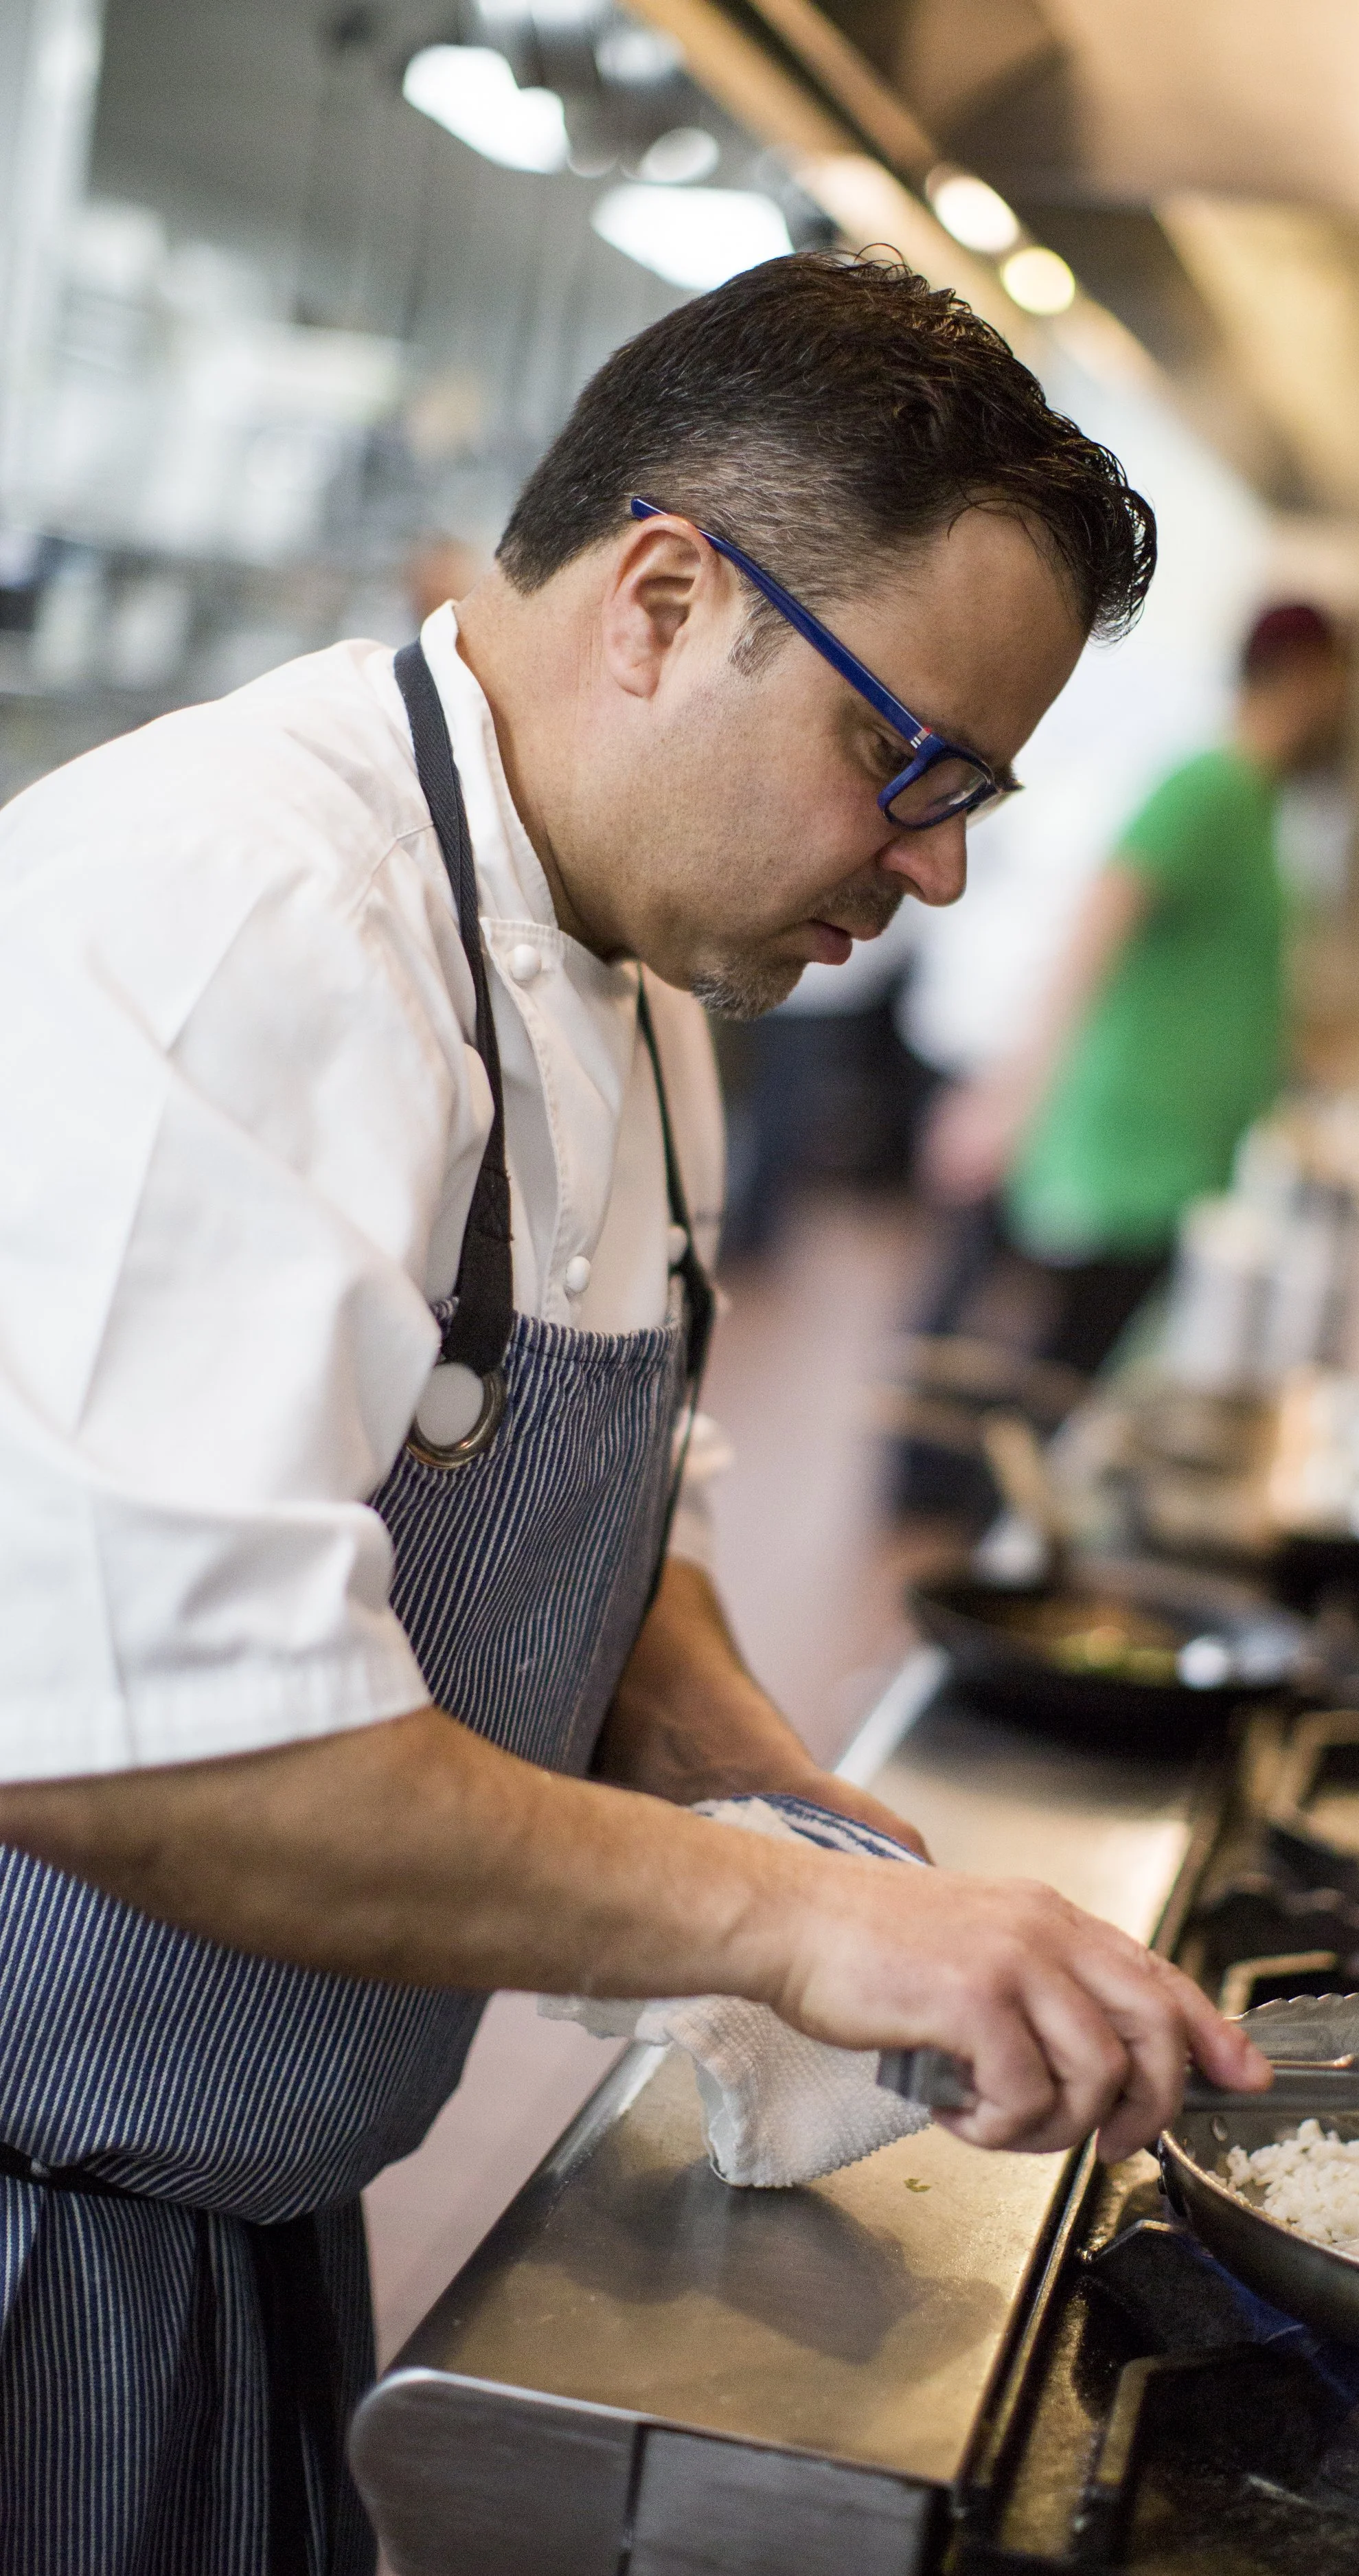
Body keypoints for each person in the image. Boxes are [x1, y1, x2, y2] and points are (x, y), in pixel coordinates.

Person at [0, 252, 1269, 2573]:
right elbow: (133, 1745)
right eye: (911, 763)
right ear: (666, 602)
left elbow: (578, 1514)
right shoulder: (242, 922)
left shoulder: (630, 960)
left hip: (233, 2205)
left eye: (977, 792)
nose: (941, 864)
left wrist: (787, 1807)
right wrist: (781, 1939)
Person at [922, 601, 1349, 1376]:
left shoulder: (1256, 799)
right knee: (1062, 1371)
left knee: (1081, 1362)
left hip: (1177, 1151)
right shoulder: (1207, 785)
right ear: (1309, 679)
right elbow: (1094, 931)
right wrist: (1008, 1097)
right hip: (1127, 1147)